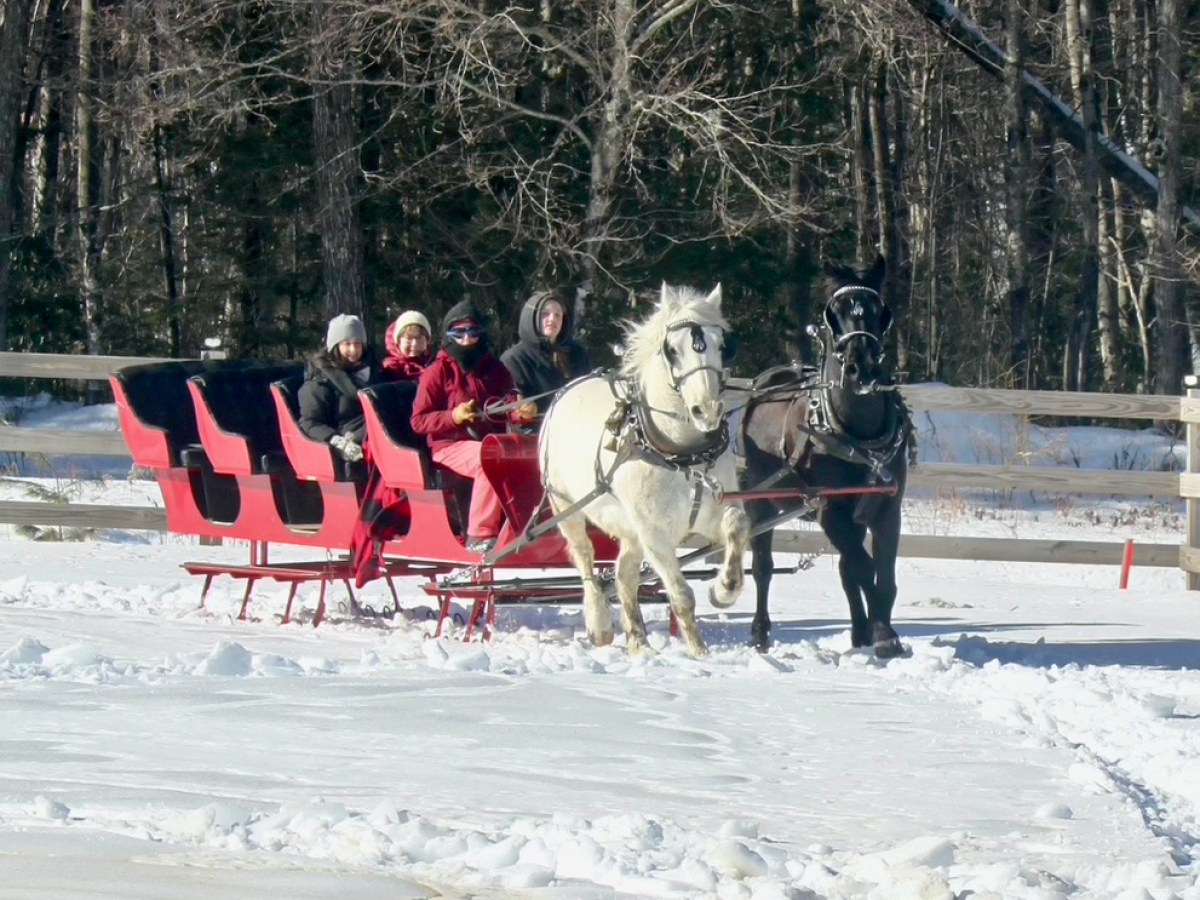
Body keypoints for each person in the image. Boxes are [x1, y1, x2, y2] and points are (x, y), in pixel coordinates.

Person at [411, 300, 536, 554]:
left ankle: (527, 524)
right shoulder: (437, 372)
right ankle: (480, 534)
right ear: (449, 336)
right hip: (448, 445)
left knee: (528, 454)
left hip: (491, 441)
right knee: (487, 459)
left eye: (472, 332)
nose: (467, 339)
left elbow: (510, 402)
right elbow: (419, 420)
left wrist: (523, 411)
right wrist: (453, 417)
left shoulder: (496, 369)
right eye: (460, 333)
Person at [297, 313, 384, 468]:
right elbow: (309, 422)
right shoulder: (320, 381)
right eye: (347, 344)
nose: (354, 350)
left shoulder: (374, 371)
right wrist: (336, 440)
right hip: (351, 441)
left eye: (358, 344)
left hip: (377, 433)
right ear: (335, 346)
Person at [500, 290, 591, 432]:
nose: (552, 319)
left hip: (577, 430)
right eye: (545, 314)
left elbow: (588, 393)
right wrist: (527, 409)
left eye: (558, 315)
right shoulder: (514, 359)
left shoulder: (578, 354)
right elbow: (512, 405)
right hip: (534, 436)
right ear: (532, 318)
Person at [382, 309, 435, 382]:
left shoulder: (436, 366)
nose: (414, 344)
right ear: (398, 341)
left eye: (420, 338)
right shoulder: (388, 370)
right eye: (408, 338)